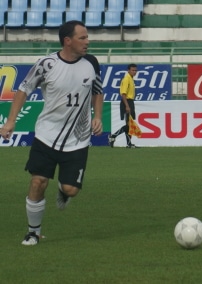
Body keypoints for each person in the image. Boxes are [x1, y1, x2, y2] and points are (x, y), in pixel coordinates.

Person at [0, 20, 103, 245]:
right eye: (83, 38)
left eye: (87, 37)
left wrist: (97, 116)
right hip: (46, 135)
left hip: (78, 138)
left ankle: (64, 190)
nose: (88, 41)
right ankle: (33, 232)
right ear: (68, 41)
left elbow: (97, 91)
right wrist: (10, 122)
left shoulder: (92, 63)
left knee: (71, 189)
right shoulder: (46, 64)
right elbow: (23, 89)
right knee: (38, 181)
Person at [108, 64, 139, 148]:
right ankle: (113, 136)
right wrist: (127, 106)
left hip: (130, 102)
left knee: (129, 124)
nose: (134, 72)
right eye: (133, 70)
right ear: (128, 70)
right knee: (129, 124)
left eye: (135, 70)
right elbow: (123, 94)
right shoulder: (126, 79)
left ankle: (128, 143)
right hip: (127, 102)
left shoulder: (131, 79)